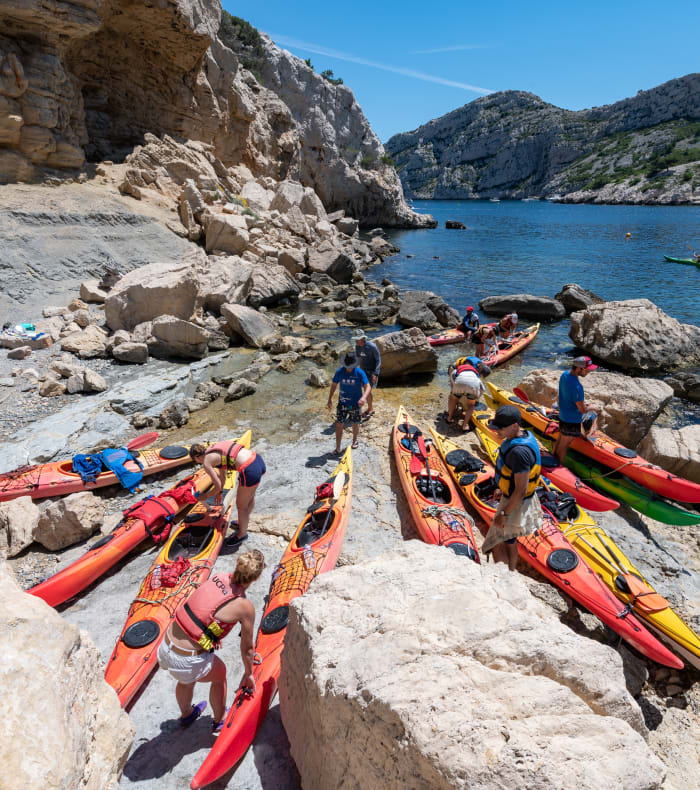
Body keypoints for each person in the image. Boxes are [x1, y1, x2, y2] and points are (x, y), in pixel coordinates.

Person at [157, 549, 265, 733]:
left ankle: (187, 714)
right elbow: (247, 648)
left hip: (165, 647)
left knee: (186, 680)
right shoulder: (245, 607)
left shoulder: (219, 576)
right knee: (220, 674)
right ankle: (220, 719)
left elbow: (203, 611)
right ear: (255, 578)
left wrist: (209, 637)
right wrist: (249, 674)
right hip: (187, 661)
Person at [482, 406, 543, 571]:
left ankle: (506, 576)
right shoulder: (523, 436)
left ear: (515, 426)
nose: (496, 431)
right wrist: (501, 488)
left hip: (516, 502)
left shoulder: (518, 452)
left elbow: (521, 490)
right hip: (511, 495)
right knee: (509, 539)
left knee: (498, 541)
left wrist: (503, 514)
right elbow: (513, 475)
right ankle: (512, 570)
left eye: (500, 428)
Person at [189, 441, 266, 546]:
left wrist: (204, 496)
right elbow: (222, 478)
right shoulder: (214, 449)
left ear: (197, 457)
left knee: (241, 506)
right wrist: (219, 493)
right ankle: (243, 522)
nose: (198, 463)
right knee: (250, 496)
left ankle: (242, 534)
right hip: (257, 459)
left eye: (196, 461)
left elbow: (217, 486)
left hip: (249, 469)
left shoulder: (207, 462)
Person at [552, 356, 597, 465]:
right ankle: (558, 467)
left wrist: (580, 403)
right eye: (587, 370)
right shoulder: (577, 387)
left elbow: (566, 396)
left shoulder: (564, 375)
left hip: (563, 416)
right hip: (572, 420)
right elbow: (582, 410)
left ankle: (552, 461)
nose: (589, 372)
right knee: (564, 445)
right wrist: (590, 407)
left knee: (560, 440)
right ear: (578, 369)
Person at [327, 352, 371, 454]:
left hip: (356, 404)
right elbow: (334, 385)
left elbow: (368, 386)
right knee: (339, 424)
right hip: (342, 403)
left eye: (350, 367)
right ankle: (338, 448)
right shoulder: (340, 372)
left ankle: (355, 440)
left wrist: (364, 398)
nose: (348, 368)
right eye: (347, 366)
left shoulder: (359, 373)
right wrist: (329, 399)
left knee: (355, 423)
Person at [446, 355, 492, 431]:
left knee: (453, 398)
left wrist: (454, 391)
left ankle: (449, 418)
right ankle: (465, 425)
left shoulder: (458, 369)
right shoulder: (475, 374)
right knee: (471, 405)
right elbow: (482, 389)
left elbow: (452, 378)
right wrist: (476, 398)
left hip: (459, 380)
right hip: (473, 384)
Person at [352, 330, 381, 418]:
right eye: (355, 339)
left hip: (372, 372)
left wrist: (376, 374)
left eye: (358, 339)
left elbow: (378, 360)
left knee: (367, 391)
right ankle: (357, 407)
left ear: (363, 338)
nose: (356, 341)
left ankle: (370, 409)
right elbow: (357, 359)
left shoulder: (372, 346)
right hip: (363, 371)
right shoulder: (357, 347)